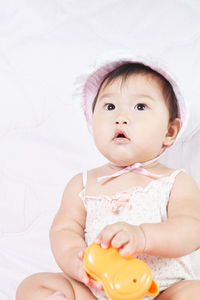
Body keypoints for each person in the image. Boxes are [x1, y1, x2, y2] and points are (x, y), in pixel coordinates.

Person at [16, 56, 200, 300]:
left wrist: (143, 236)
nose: (120, 117)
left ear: (170, 131)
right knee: (34, 286)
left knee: (194, 292)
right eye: (110, 107)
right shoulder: (82, 184)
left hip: (162, 290)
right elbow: (63, 230)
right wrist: (76, 259)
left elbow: (191, 230)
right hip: (96, 291)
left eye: (140, 107)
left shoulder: (176, 181)